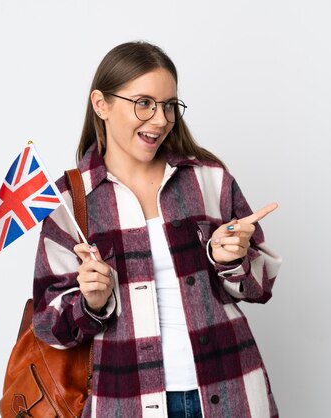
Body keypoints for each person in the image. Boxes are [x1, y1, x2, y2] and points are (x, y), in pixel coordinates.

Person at [33, 41, 283, 418]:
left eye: (169, 105)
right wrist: (91, 303)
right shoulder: (71, 202)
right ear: (101, 104)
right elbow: (49, 326)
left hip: (231, 390)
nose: (161, 119)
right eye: (144, 103)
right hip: (127, 402)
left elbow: (261, 287)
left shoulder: (209, 180)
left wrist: (231, 260)